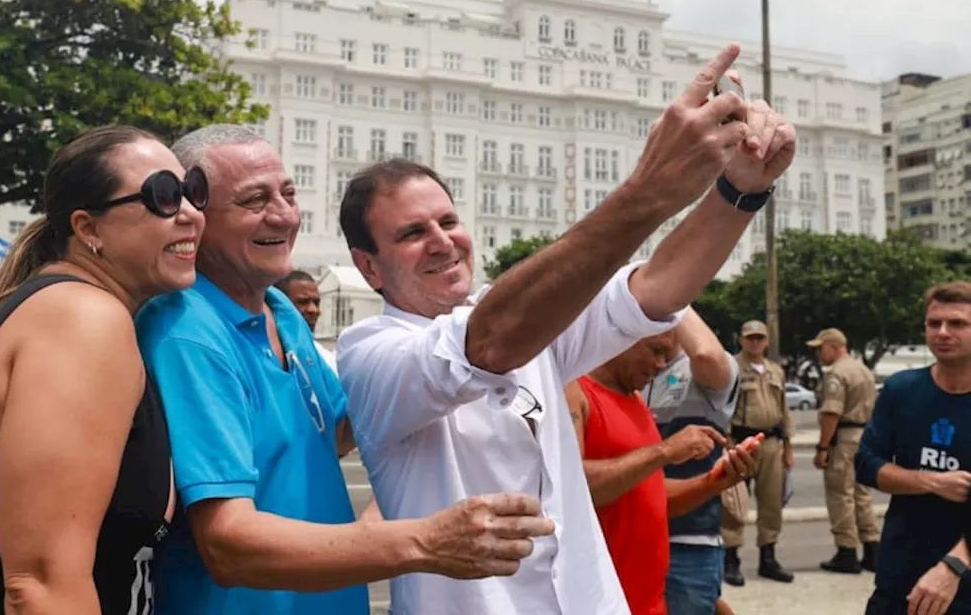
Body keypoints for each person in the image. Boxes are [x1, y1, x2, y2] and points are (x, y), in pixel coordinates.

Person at [336, 44, 797, 615]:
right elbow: (488, 342)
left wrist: (740, 191)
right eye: (411, 232)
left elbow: (655, 289)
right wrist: (648, 191)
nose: (441, 240)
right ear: (369, 266)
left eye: (448, 220)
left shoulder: (531, 320)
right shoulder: (370, 352)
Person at [135, 124, 553, 615]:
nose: (284, 213)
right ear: (194, 214)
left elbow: (337, 430)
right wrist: (425, 540)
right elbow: (229, 544)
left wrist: (445, 369)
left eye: (288, 192)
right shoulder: (188, 333)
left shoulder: (280, 310)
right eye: (255, 200)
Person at [0, 125, 207, 615]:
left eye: (192, 191)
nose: (189, 213)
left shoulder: (78, 311)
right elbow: (39, 585)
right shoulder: (81, 320)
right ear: (89, 229)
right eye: (163, 196)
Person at [565, 328, 758, 615]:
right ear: (621, 337)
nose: (661, 365)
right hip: (603, 601)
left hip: (650, 600)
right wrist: (665, 451)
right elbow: (573, 488)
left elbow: (649, 494)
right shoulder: (574, 391)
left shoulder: (635, 400)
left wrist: (713, 482)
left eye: (666, 355)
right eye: (655, 350)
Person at [857, 281, 971, 615]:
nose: (943, 332)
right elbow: (866, 463)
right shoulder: (901, 389)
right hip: (900, 570)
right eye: (934, 323)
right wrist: (932, 481)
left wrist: (954, 564)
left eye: (958, 323)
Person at [642, 308, 741, 614]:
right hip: (633, 538)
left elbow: (707, 356)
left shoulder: (700, 370)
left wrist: (671, 299)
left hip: (687, 543)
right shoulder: (632, 368)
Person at [721, 319, 795, 585]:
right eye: (750, 338)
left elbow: (784, 409)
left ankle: (768, 557)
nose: (755, 342)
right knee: (735, 503)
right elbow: (724, 407)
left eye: (759, 338)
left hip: (772, 442)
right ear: (741, 340)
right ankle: (731, 558)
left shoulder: (775, 370)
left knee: (771, 502)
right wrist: (727, 441)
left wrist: (788, 447)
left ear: (767, 341)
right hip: (741, 440)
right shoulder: (731, 368)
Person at [807, 327, 880, 574]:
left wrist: (822, 446)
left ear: (835, 346)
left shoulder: (836, 373)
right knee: (862, 494)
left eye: (821, 348)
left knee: (840, 494)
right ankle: (872, 550)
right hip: (865, 436)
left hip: (844, 437)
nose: (818, 353)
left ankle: (846, 551)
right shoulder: (863, 370)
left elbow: (831, 413)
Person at [275, 270, 337, 372]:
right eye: (303, 302)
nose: (314, 310)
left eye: (316, 303)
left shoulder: (324, 359)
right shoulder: (263, 355)